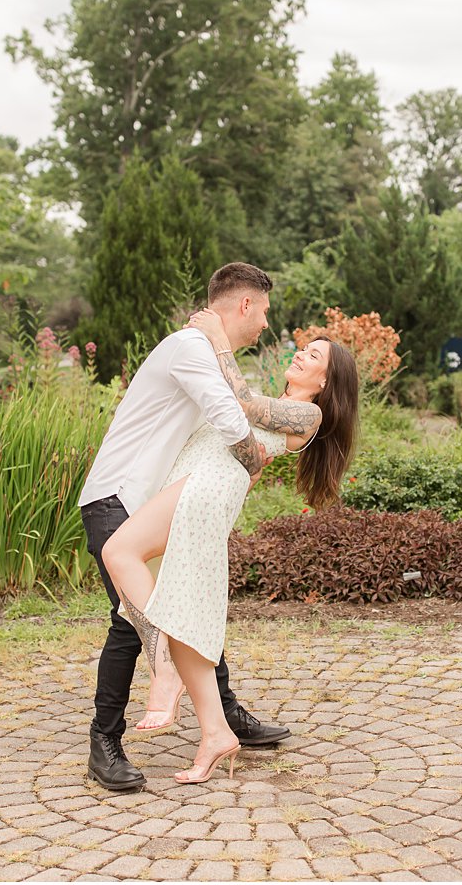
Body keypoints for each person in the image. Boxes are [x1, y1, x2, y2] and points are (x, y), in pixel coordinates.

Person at [100, 308, 360, 784]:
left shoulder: (308, 413)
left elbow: (239, 404)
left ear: (326, 380)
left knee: (119, 553)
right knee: (180, 606)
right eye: (304, 348)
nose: (302, 353)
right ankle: (217, 733)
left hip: (205, 487)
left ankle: (164, 669)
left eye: (314, 355)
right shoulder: (279, 407)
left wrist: (219, 337)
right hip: (199, 484)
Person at [78, 263, 284, 792]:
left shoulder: (208, 353)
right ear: (243, 305)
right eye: (263, 311)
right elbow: (232, 422)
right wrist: (253, 459)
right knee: (131, 621)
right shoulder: (190, 347)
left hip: (151, 502)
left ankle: (226, 716)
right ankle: (106, 744)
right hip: (117, 498)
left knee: (182, 604)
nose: (265, 324)